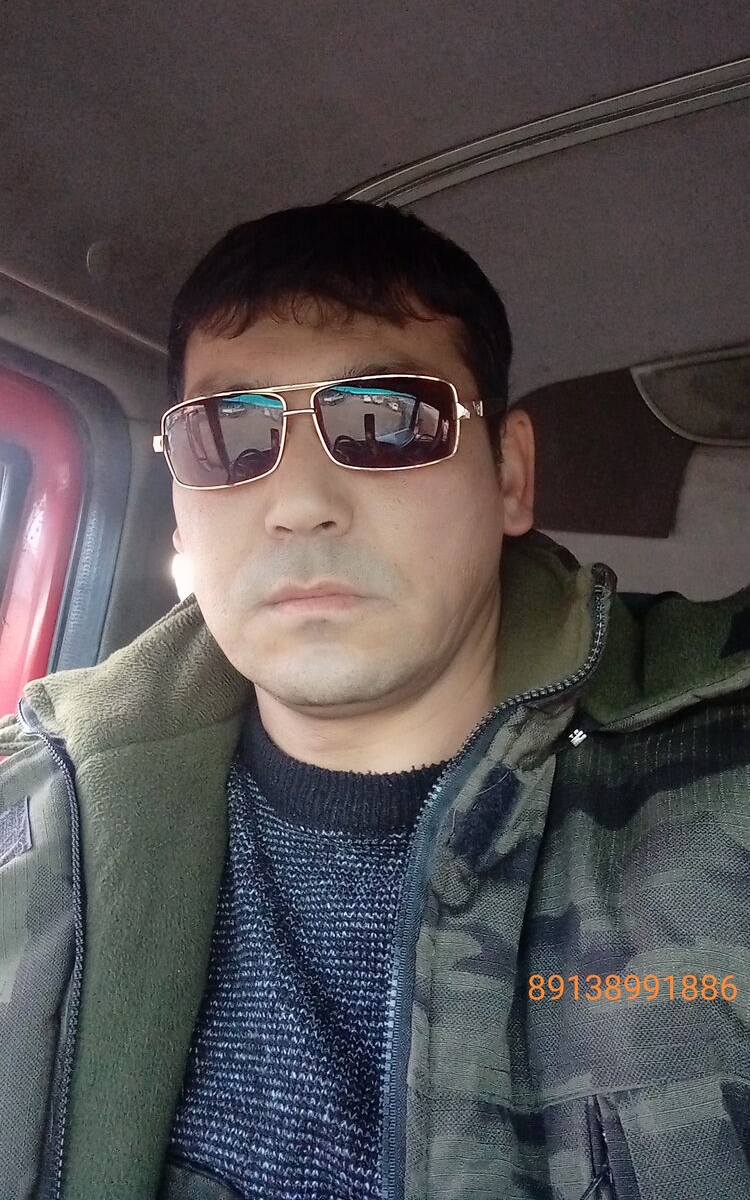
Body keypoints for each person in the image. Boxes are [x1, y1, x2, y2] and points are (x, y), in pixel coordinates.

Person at [1, 201, 748, 1200]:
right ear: (180, 502)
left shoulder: (716, 766)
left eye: (388, 422)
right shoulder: (41, 812)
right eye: (228, 435)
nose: (302, 502)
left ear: (510, 474)